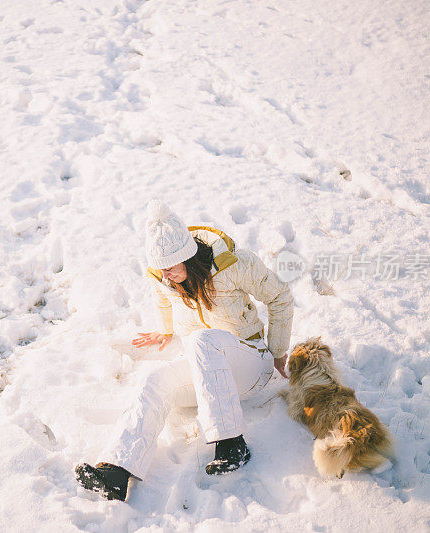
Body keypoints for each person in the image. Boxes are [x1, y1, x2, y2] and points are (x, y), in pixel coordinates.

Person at [75, 200, 294, 501]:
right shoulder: (166, 279)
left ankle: (232, 443)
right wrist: (165, 330)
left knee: (202, 340)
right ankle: (117, 471)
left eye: (171, 268)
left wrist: (278, 351)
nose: (165, 277)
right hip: (210, 372)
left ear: (189, 257)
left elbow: (280, 296)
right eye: (160, 270)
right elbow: (163, 299)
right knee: (155, 380)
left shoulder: (233, 265)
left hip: (251, 361)